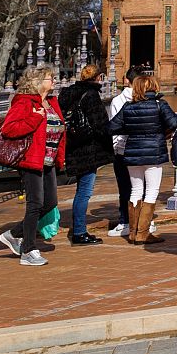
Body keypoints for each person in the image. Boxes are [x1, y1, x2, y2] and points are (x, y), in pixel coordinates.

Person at [0, 67, 66, 266]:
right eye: (50, 78)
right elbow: (9, 129)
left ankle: (13, 234)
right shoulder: (25, 102)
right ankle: (28, 249)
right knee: (35, 204)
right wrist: (34, 117)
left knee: (50, 203)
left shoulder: (52, 102)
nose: (54, 81)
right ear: (37, 82)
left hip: (49, 161)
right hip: (31, 160)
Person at [108, 74, 177, 244]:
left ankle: (133, 232)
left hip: (132, 151)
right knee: (151, 191)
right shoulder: (159, 105)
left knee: (135, 190)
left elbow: (111, 127)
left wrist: (132, 129)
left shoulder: (128, 106)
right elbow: (175, 124)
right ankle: (143, 233)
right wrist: (162, 133)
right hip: (153, 152)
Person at [57, 64, 111, 246]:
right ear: (98, 78)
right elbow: (101, 125)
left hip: (72, 146)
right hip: (88, 150)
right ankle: (79, 232)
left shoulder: (67, 95)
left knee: (81, 190)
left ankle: (78, 229)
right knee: (84, 192)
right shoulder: (91, 96)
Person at [105, 68, 137, 237]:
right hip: (140, 150)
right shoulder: (146, 99)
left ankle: (125, 220)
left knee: (125, 187)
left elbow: (114, 126)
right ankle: (141, 222)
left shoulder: (118, 100)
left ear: (126, 80)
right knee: (140, 187)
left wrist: (117, 148)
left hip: (123, 150)